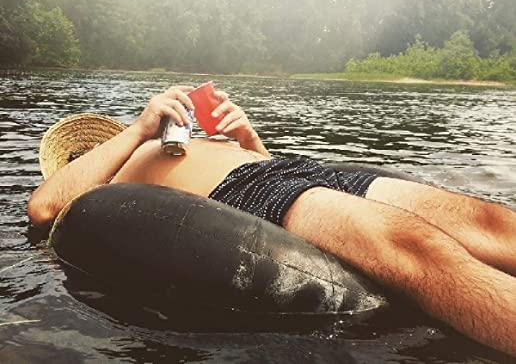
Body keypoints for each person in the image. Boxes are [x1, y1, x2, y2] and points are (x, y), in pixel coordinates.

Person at [28, 85, 516, 356]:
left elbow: (274, 179)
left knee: (490, 222)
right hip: (245, 189)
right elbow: (45, 209)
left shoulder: (170, 139)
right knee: (415, 249)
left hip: (289, 171)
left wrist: (246, 138)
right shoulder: (115, 164)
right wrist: (136, 129)